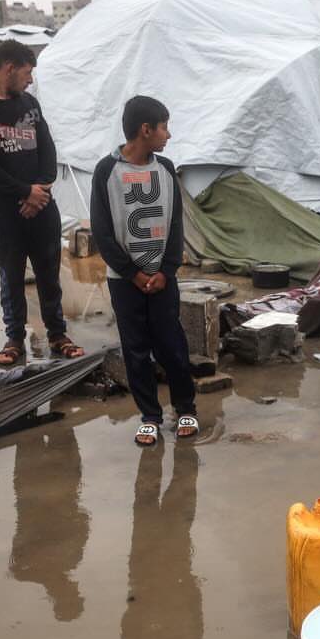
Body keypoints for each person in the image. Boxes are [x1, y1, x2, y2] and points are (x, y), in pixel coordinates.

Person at [0, 39, 84, 367]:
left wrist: (39, 190)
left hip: (41, 205)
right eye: (27, 73)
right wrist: (23, 192)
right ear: (9, 68)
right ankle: (15, 338)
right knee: (11, 275)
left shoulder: (29, 104)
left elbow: (48, 150)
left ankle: (57, 333)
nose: (30, 80)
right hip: (5, 210)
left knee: (48, 271)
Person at [90, 95, 198, 447]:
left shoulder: (165, 170)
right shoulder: (107, 172)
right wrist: (133, 274)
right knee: (135, 348)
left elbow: (176, 223)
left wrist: (167, 270)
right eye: (164, 127)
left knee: (172, 344)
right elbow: (103, 232)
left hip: (163, 279)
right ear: (145, 129)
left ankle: (185, 409)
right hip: (125, 282)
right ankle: (150, 415)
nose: (168, 135)